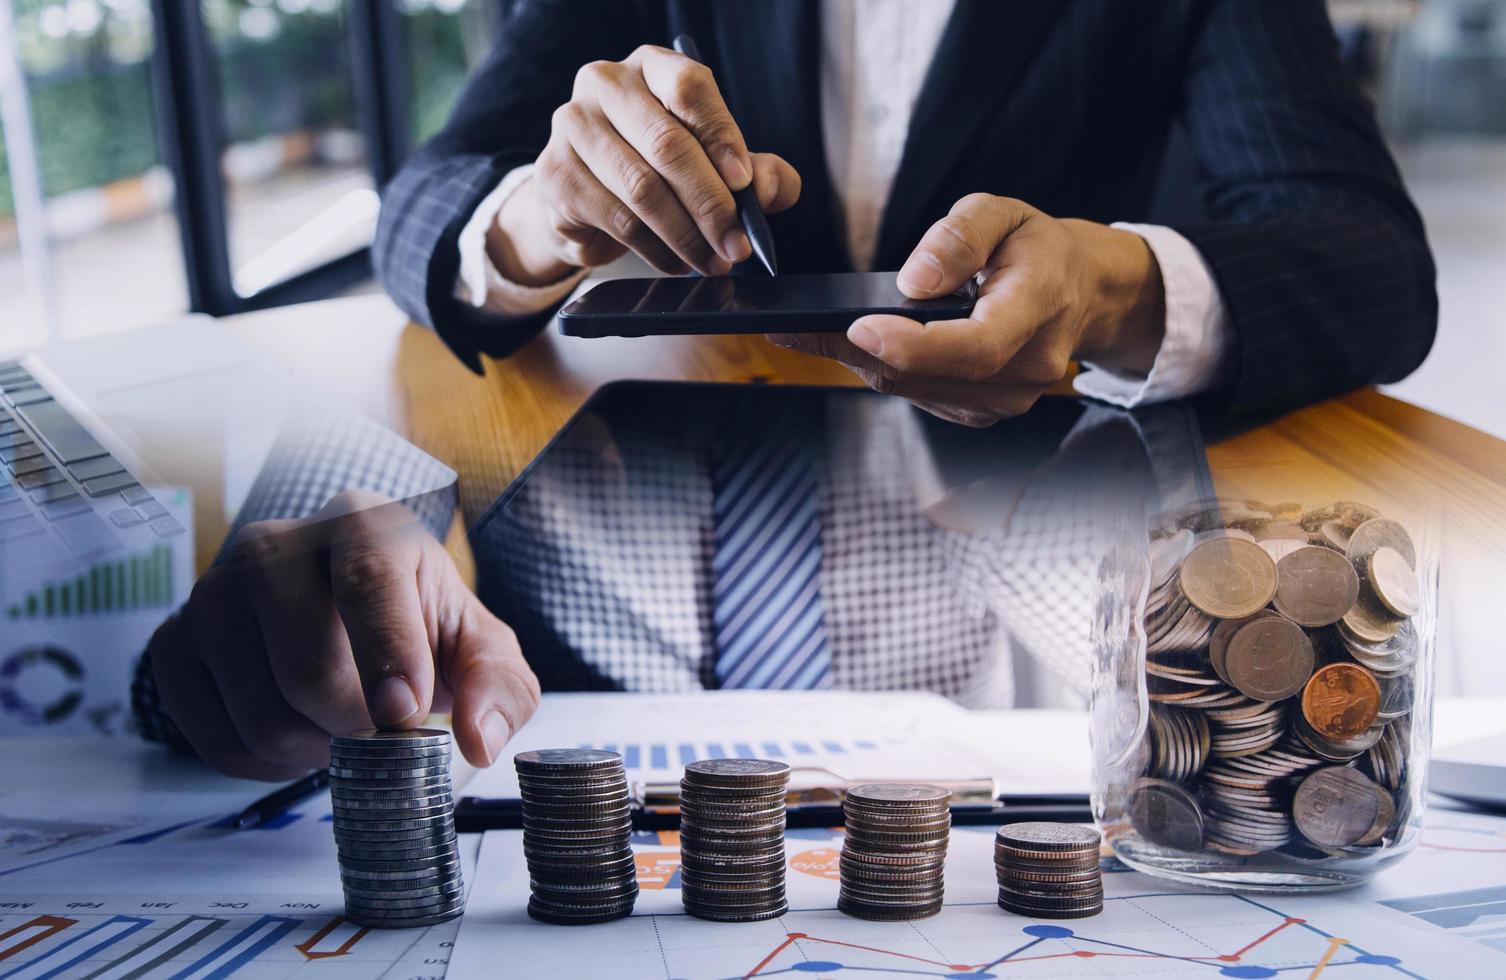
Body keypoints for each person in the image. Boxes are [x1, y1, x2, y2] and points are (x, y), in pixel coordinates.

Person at [144, 0, 1437, 778]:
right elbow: (430, 195)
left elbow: (1368, 258)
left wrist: (1121, 293)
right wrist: (535, 218)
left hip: (1015, 653)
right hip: (590, 649)